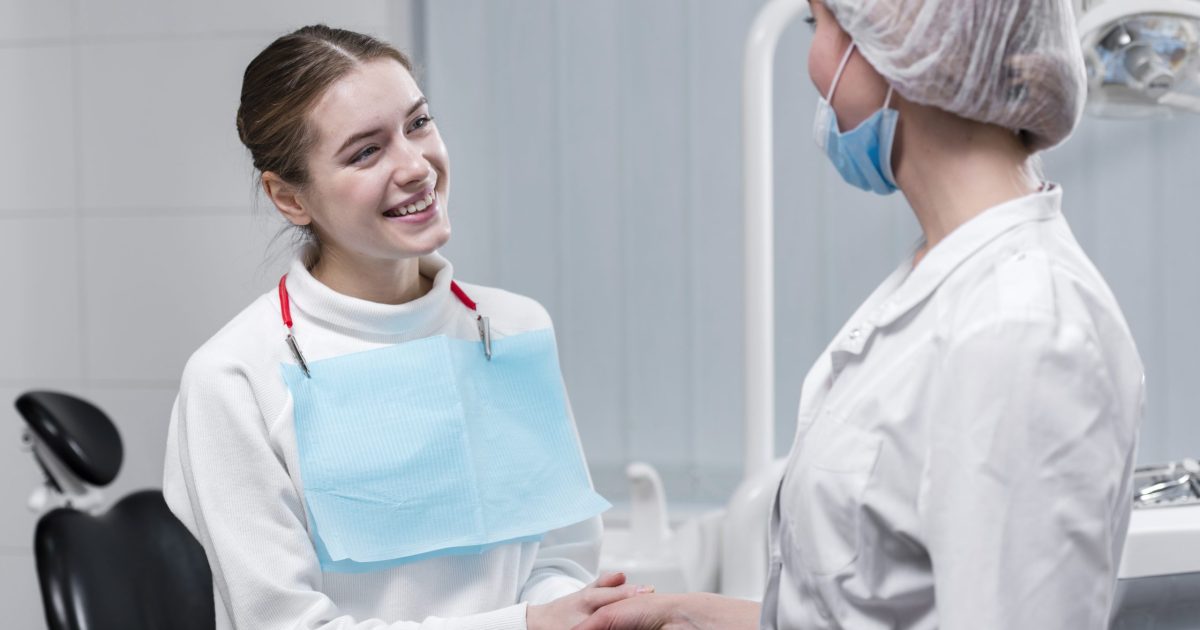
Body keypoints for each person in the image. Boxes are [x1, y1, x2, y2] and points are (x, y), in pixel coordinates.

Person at [579, 0, 1144, 628]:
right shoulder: (950, 278)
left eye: (816, 23)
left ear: (905, 45)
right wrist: (690, 612)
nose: (812, 62)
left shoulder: (1022, 332)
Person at [162, 25, 646, 630]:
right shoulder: (234, 377)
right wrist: (522, 625)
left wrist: (567, 610)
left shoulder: (512, 329)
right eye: (366, 151)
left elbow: (560, 555)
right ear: (290, 198)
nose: (416, 166)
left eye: (418, 123)